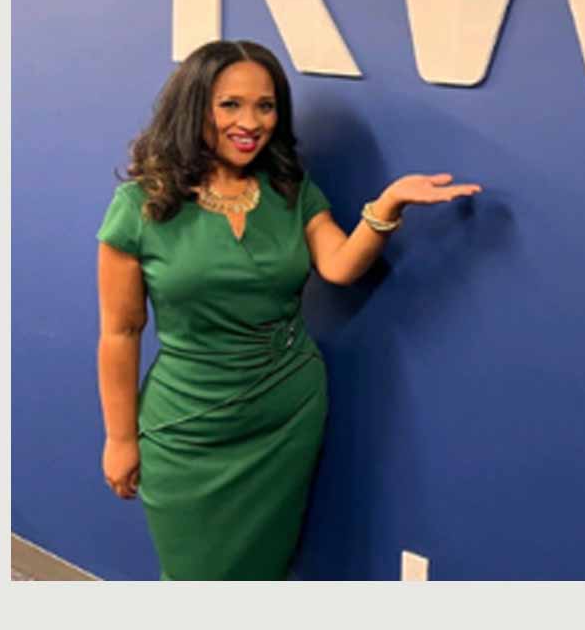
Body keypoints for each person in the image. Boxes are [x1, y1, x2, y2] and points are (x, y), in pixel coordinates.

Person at [95, 39, 481, 580]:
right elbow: (120, 330)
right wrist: (120, 438)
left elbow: (342, 267)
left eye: (266, 105)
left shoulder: (289, 191)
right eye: (229, 104)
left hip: (285, 415)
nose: (250, 122)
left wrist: (386, 205)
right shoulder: (141, 206)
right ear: (194, 105)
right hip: (186, 427)